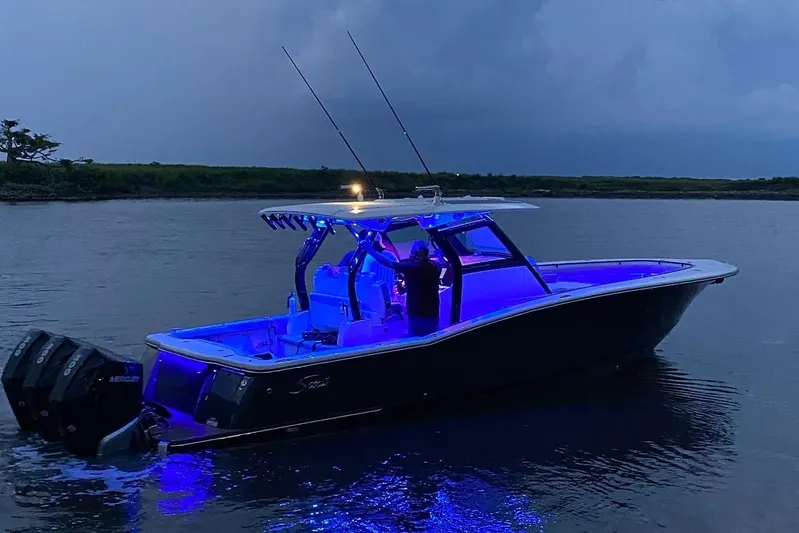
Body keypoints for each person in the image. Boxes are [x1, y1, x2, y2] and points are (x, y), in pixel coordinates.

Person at [362, 239, 442, 337]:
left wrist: (369, 250)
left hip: (417, 314)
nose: (416, 256)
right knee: (432, 337)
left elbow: (388, 263)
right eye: (415, 253)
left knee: (416, 340)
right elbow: (440, 263)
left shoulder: (411, 268)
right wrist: (439, 255)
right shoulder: (435, 266)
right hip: (432, 313)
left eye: (419, 254)